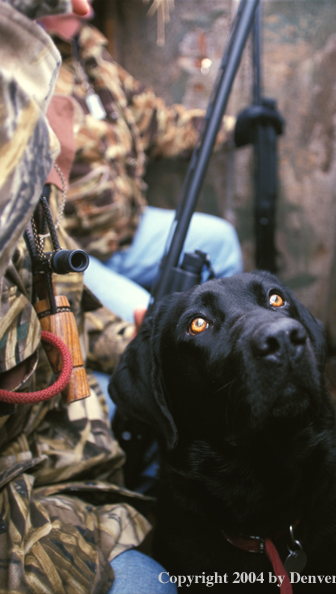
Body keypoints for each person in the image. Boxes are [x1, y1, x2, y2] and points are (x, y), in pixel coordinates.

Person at [0, 2, 176, 592]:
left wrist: (146, 340)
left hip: (72, 462)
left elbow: (62, 303)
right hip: (31, 499)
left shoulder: (36, 213)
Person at [39, 1, 282, 324]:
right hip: (68, 250)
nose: (89, 6)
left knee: (219, 241)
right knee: (147, 319)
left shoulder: (89, 51)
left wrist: (234, 130)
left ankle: (232, 347)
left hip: (127, 232)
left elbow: (155, 122)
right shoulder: (25, 69)